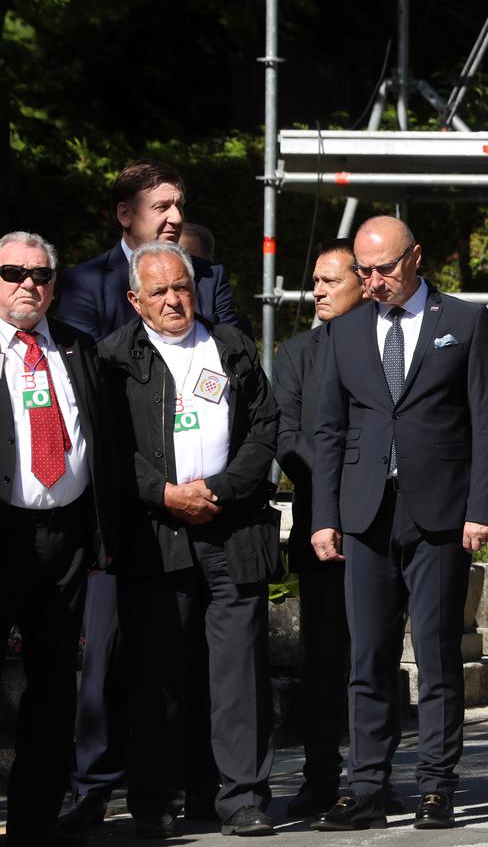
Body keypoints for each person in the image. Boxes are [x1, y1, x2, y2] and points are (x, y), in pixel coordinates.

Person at [55, 159, 247, 835]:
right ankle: (95, 786)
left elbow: (229, 365)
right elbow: (88, 385)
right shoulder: (82, 285)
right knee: (107, 655)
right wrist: (155, 486)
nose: (173, 216)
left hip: (206, 507)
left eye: (178, 204)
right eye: (160, 206)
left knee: (191, 659)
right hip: (124, 508)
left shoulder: (211, 279)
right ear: (123, 215)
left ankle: (193, 789)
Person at [309, 216, 488, 832]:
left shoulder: (466, 321)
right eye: (363, 271)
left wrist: (481, 508)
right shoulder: (343, 331)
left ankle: (436, 786)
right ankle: (366, 787)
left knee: (440, 655)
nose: (374, 281)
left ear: (415, 257)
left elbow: (485, 419)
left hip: (441, 512)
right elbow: (329, 430)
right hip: (366, 513)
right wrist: (324, 517)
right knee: (367, 656)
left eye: (386, 268)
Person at [99, 241, 279, 839]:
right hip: (157, 535)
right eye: (160, 291)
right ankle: (154, 801)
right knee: (157, 675)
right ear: (135, 300)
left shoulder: (230, 345)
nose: (175, 299)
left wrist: (222, 489)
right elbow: (107, 452)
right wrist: (165, 493)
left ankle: (240, 798)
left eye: (182, 286)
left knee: (237, 677)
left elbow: (264, 426)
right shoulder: (113, 360)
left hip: (231, 529)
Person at [0, 232, 116, 847]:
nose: (28, 284)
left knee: (52, 690)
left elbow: (101, 445)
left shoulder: (76, 349)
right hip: (5, 534)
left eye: (41, 275)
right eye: (13, 272)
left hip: (67, 540)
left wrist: (99, 537)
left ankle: (34, 823)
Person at [271, 239, 370, 819]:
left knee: (374, 656)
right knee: (325, 658)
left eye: (330, 281)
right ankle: (318, 774)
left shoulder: (388, 347)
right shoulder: (296, 354)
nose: (317, 291)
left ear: (364, 283)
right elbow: (288, 438)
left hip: (383, 525)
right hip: (321, 528)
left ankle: (370, 775)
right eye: (315, 281)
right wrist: (336, 500)